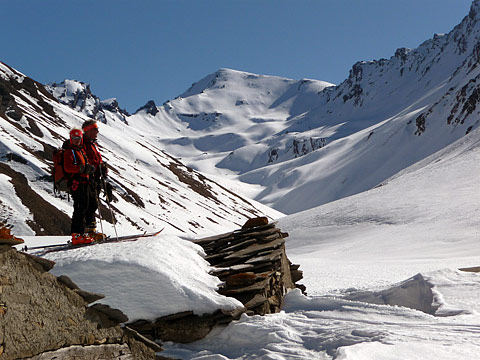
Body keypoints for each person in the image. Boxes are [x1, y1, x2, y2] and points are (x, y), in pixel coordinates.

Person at [63, 128, 95, 245]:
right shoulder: (69, 151)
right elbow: (68, 167)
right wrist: (83, 169)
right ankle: (76, 235)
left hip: (84, 183)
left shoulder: (80, 151)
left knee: (84, 207)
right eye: (74, 138)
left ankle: (81, 234)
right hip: (77, 184)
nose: (77, 140)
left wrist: (88, 170)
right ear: (71, 139)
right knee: (80, 209)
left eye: (79, 138)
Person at [81, 120, 109, 239]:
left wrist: (102, 166)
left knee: (93, 203)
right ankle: (88, 230)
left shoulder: (92, 144)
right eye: (95, 129)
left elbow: (97, 159)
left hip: (95, 178)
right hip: (87, 178)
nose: (97, 131)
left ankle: (90, 230)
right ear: (88, 130)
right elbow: (85, 160)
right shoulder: (83, 144)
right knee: (89, 203)